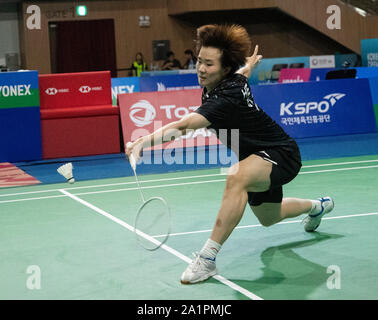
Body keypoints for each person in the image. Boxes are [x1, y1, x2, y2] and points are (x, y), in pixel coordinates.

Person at [126, 24, 334, 284]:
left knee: (235, 178)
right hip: (257, 159)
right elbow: (242, 74)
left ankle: (207, 260)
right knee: (269, 217)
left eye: (208, 64)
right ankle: (318, 206)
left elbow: (183, 126)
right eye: (199, 61)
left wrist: (142, 142)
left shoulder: (227, 96)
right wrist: (248, 66)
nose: (201, 68)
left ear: (224, 69)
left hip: (281, 153)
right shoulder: (228, 80)